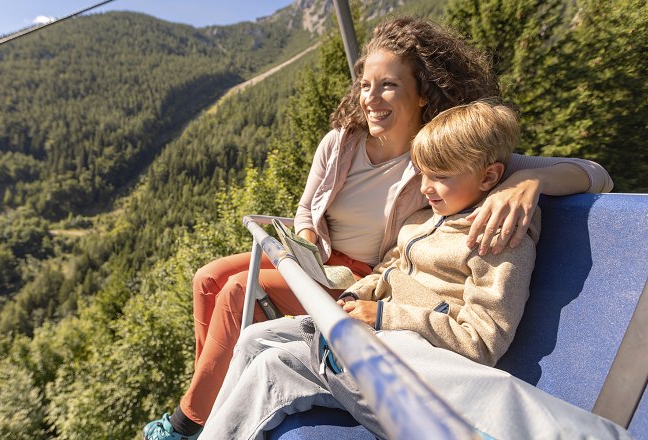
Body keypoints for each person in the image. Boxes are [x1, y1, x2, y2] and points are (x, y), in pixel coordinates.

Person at [142, 16, 613, 440]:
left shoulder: (444, 157)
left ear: (421, 92)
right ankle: (205, 402)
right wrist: (307, 246)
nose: (371, 97)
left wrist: (530, 180)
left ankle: (188, 424)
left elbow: (591, 173)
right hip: (330, 261)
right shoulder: (352, 148)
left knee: (236, 299)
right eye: (365, 84)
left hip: (366, 286)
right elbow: (311, 212)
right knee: (208, 279)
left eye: (388, 85)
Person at [200, 100, 630, 440]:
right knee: (255, 337)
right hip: (373, 331)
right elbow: (391, 271)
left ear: (490, 177)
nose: (425, 187)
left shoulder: (497, 235)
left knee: (273, 369)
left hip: (402, 366)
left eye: (439, 177)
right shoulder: (426, 217)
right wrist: (364, 293)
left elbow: (481, 341)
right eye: (422, 174)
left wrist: (385, 316)